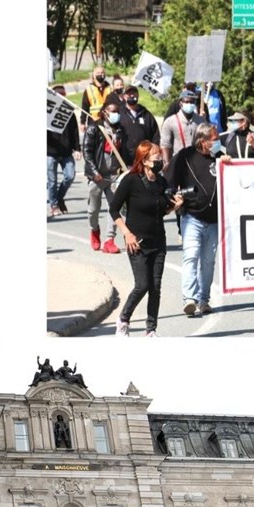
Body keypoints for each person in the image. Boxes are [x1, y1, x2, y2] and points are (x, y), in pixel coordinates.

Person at [110, 140, 178, 336]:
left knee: (155, 287)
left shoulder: (161, 182)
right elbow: (114, 209)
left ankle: (151, 330)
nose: (160, 160)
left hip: (158, 240)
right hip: (137, 242)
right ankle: (123, 319)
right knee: (142, 285)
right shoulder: (131, 180)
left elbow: (161, 210)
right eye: (157, 157)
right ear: (145, 160)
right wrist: (127, 233)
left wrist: (176, 206)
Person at [168, 123, 221, 318]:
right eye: (214, 139)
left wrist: (229, 163)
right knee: (191, 256)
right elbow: (169, 182)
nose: (217, 142)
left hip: (214, 220)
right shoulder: (185, 156)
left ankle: (203, 299)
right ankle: (189, 299)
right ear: (203, 141)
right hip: (192, 217)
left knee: (208, 261)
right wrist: (175, 198)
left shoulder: (219, 157)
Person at [81, 96, 126, 253]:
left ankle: (109, 240)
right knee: (93, 209)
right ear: (104, 112)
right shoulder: (94, 128)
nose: (115, 115)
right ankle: (94, 230)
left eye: (117, 112)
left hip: (114, 175)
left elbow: (123, 150)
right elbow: (87, 152)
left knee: (114, 207)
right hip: (97, 176)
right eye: (112, 111)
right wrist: (94, 172)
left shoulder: (120, 129)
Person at [46, 84, 79, 218]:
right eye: (60, 95)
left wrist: (77, 149)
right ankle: (53, 205)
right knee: (52, 180)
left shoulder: (68, 112)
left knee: (70, 176)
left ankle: (59, 198)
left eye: (64, 95)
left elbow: (75, 131)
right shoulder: (46, 112)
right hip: (50, 152)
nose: (63, 97)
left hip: (66, 152)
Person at [159, 86, 204, 166]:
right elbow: (165, 144)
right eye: (186, 102)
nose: (189, 104)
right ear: (180, 103)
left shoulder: (201, 121)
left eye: (192, 102)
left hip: (197, 163)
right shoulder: (170, 121)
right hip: (178, 162)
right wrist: (167, 163)